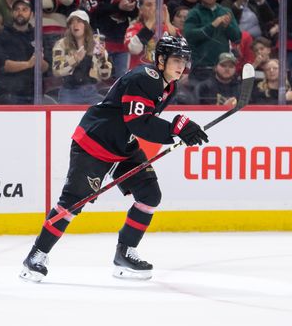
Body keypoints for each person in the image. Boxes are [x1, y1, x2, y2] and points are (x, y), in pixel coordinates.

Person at [20, 35, 209, 282]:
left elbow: (142, 123)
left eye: (184, 60)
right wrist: (175, 128)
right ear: (160, 60)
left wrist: (177, 131)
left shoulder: (168, 85)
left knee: (150, 195)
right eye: (176, 60)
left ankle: (125, 253)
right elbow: (139, 123)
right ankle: (36, 255)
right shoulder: (144, 78)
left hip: (123, 146)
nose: (181, 66)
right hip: (95, 143)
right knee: (72, 203)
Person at [183, 0, 241, 83]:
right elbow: (189, 36)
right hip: (201, 69)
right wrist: (212, 25)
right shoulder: (194, 13)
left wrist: (227, 26)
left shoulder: (225, 11)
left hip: (223, 69)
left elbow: (237, 38)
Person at [52, 9, 113, 104]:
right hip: (69, 91)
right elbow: (57, 71)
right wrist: (75, 59)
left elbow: (105, 75)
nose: (75, 25)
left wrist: (102, 59)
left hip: (91, 91)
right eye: (72, 22)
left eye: (79, 21)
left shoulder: (96, 44)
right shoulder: (61, 44)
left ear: (86, 25)